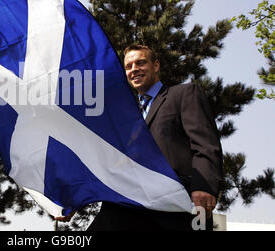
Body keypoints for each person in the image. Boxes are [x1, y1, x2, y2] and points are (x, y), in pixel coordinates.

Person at [85, 44, 224, 231]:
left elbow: (205, 144)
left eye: (140, 63)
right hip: (130, 204)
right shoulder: (126, 117)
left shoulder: (183, 94)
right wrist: (75, 200)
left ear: (156, 65)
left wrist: (204, 187)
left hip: (179, 203)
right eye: (129, 66)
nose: (134, 69)